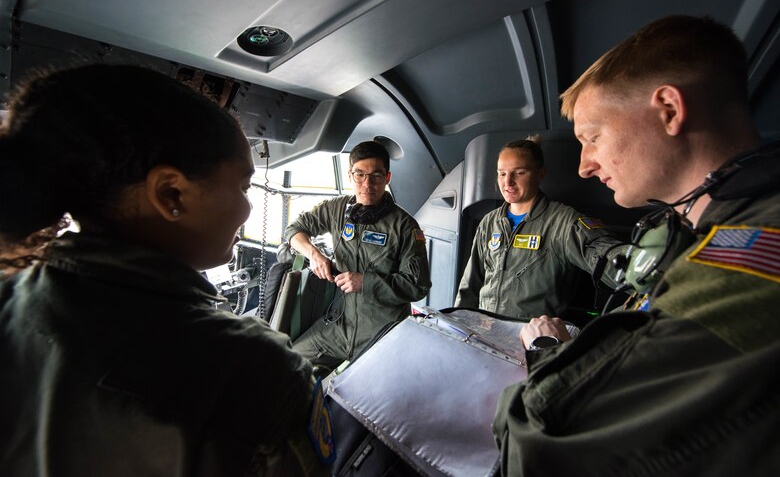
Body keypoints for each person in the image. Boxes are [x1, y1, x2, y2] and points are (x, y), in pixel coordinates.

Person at [0, 64, 331, 476]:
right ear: (171, 193)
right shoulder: (256, 371)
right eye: (243, 186)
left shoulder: (8, 298)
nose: (247, 208)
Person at [493, 15, 780, 476]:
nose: (585, 166)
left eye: (592, 137)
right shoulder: (690, 233)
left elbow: (542, 440)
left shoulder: (753, 252)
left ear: (668, 109)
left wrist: (550, 351)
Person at [285, 140, 431, 371]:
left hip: (382, 331)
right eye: (359, 175)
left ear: (387, 178)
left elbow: (417, 286)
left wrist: (365, 282)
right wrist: (314, 254)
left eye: (376, 176)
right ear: (350, 175)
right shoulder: (336, 209)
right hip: (339, 325)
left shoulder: (405, 227)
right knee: (287, 364)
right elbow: (294, 230)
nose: (367, 184)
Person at [454, 135, 627, 320]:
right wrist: (458, 325)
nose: (508, 182)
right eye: (502, 173)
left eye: (519, 172)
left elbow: (612, 260)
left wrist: (641, 269)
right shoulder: (489, 223)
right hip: (486, 334)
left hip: (533, 340)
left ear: (540, 174)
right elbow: (470, 287)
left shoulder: (562, 223)